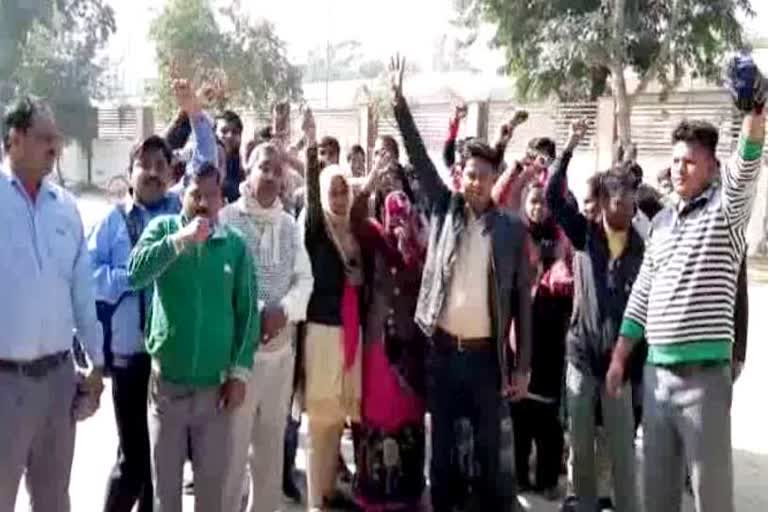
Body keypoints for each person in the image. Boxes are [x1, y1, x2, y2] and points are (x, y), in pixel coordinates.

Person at [607, 54, 767, 512]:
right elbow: (641, 296)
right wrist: (621, 356)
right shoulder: (660, 226)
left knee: (711, 498)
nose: (680, 169)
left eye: (691, 162)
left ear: (711, 168)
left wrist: (756, 113)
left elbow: (746, 168)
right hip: (655, 378)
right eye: (676, 161)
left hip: (704, 382)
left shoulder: (726, 213)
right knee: (656, 496)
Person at [389, 54, 532, 511]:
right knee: (443, 455)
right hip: (444, 353)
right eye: (469, 174)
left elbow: (521, 306)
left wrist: (522, 365)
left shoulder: (510, 230)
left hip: (488, 360)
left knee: (490, 454)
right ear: (461, 176)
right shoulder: (444, 208)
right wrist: (398, 106)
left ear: (494, 181)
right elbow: (417, 158)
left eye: (483, 176)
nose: (474, 182)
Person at [90, 79, 212, 512]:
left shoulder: (177, 211)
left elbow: (207, 161)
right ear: (132, 171)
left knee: (161, 463)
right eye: (146, 164)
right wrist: (134, 276)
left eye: (162, 164)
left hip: (169, 358)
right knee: (133, 461)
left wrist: (195, 113)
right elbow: (91, 280)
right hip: (129, 355)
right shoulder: (111, 222)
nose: (155, 171)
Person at [127, 161, 258, 512]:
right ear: (181, 193)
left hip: (214, 393)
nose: (203, 202)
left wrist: (240, 373)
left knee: (210, 494)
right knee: (166, 493)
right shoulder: (163, 229)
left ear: (221, 199)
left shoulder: (235, 246)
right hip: (166, 389)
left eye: (211, 195)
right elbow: (135, 275)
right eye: (195, 193)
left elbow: (247, 314)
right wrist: (177, 242)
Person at [0, 96, 104, 511]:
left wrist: (97, 363)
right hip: (5, 384)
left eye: (56, 139)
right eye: (45, 138)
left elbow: (83, 293)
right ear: (15, 139)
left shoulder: (66, 208)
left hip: (59, 382)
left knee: (53, 499)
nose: (54, 147)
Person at [545, 119, 642, 512]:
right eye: (619, 202)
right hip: (582, 359)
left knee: (622, 450)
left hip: (621, 365)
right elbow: (553, 195)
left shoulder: (642, 245)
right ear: (603, 202)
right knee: (581, 448)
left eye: (632, 201)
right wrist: (568, 147)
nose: (627, 209)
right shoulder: (584, 233)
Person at [219, 141, 314, 512]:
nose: (272, 176)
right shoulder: (228, 219)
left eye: (278, 171)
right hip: (239, 360)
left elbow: (304, 280)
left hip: (280, 357)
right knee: (231, 455)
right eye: (265, 167)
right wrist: (259, 311)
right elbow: (221, 280)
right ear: (247, 169)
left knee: (271, 455)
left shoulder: (289, 225)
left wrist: (283, 311)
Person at [348, 155, 428, 511]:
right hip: (379, 343)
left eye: (403, 214)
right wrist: (367, 185)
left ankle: (408, 492)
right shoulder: (374, 237)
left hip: (411, 348)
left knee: (409, 416)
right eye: (392, 214)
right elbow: (354, 217)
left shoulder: (423, 243)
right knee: (377, 415)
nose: (398, 220)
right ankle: (373, 493)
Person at [300, 110, 364, 512]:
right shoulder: (315, 229)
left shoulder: (354, 231)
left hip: (351, 339)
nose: (338, 197)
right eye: (332, 190)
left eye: (344, 190)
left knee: (341, 423)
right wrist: (310, 145)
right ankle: (315, 503)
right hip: (323, 336)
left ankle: (328, 496)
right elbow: (310, 195)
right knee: (321, 427)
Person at [512, 181, 573, 500]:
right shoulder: (514, 235)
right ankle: (520, 475)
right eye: (533, 201)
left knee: (548, 417)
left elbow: (568, 279)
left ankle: (548, 478)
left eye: (543, 202)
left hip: (550, 334)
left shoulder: (560, 238)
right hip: (519, 334)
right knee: (519, 413)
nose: (538, 207)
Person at [217, 110, 246, 203]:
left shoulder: (242, 166)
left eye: (235, 132)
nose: (229, 136)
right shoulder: (205, 162)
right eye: (224, 131)